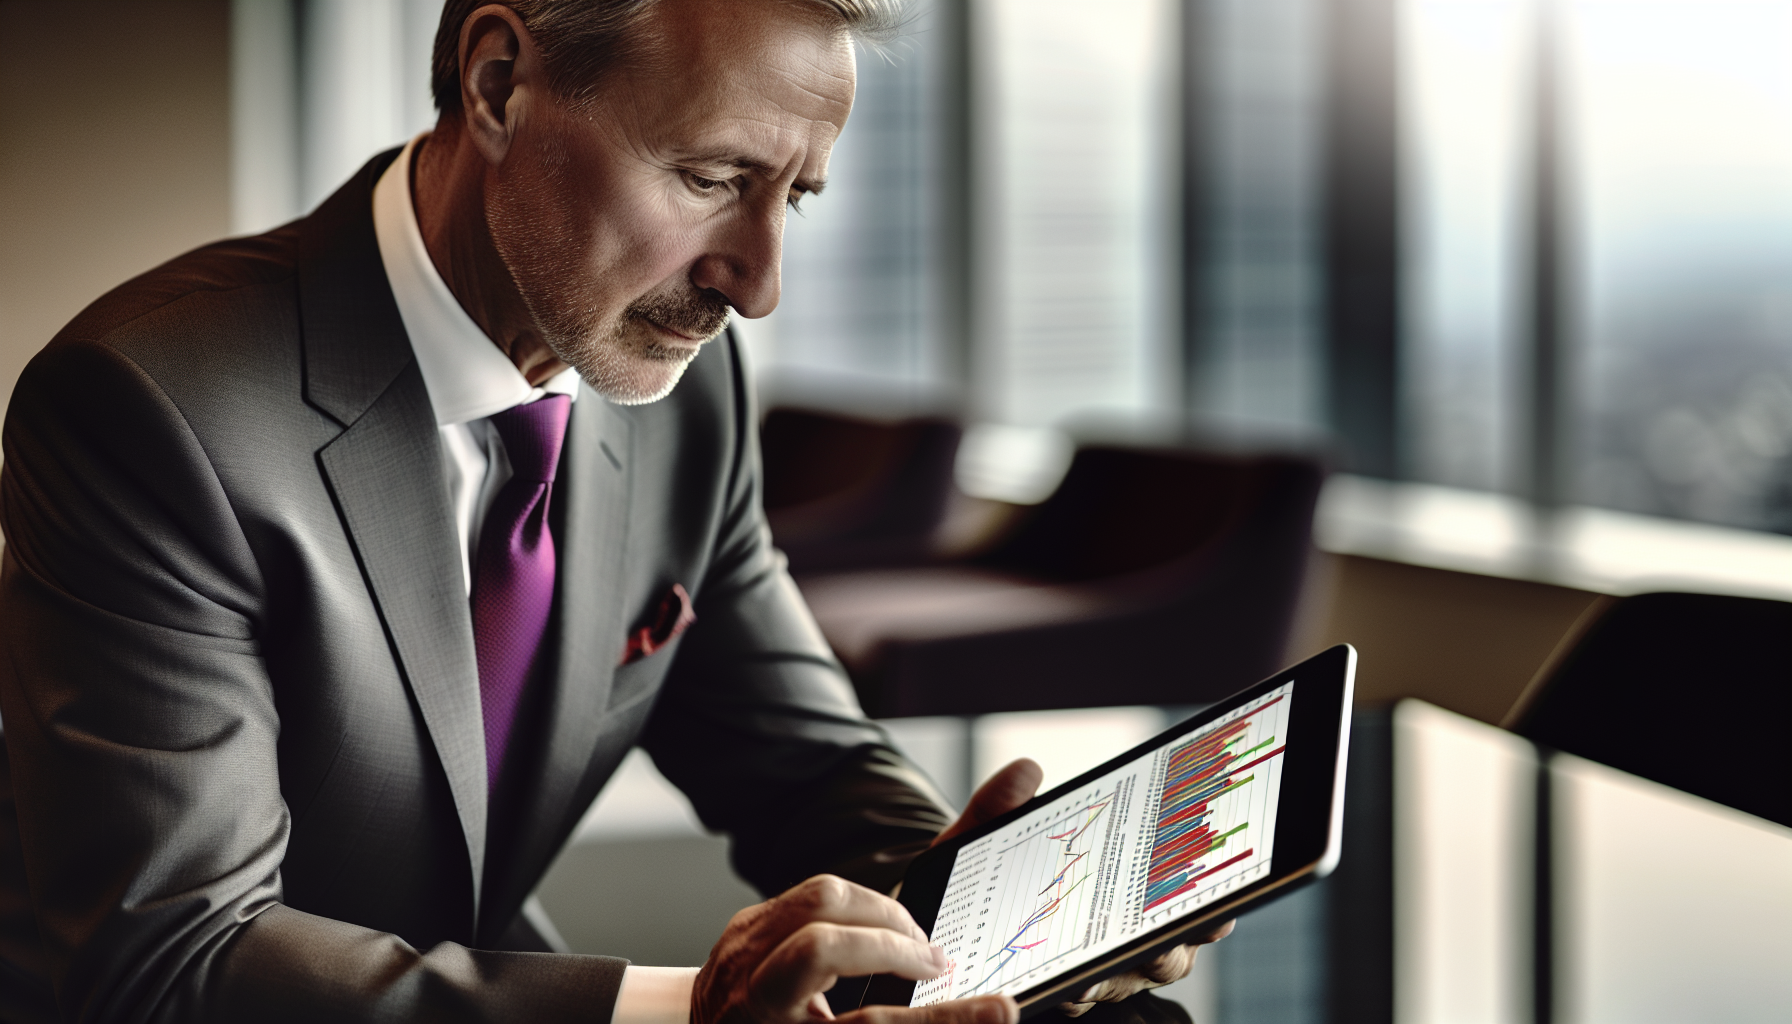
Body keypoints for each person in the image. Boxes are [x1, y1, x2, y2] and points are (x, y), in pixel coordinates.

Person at [0, 2, 1225, 1021]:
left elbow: (797, 756)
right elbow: (170, 960)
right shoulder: (152, 407)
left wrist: (1000, 906)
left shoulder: (686, 393)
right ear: (497, 86)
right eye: (710, 178)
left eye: (791, 197)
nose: (757, 286)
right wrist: (689, 1011)